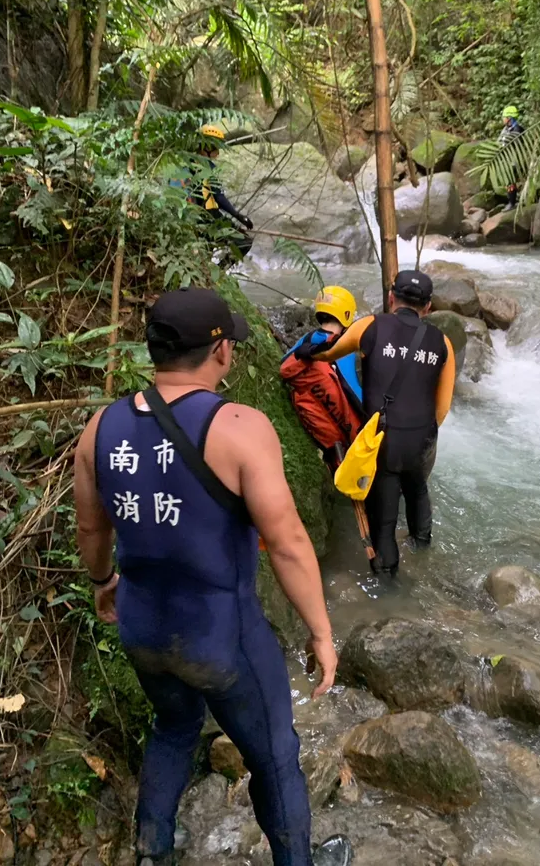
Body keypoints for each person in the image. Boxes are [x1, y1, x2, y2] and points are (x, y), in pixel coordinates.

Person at [73, 286, 351, 866]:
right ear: (220, 351)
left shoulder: (101, 428)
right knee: (274, 753)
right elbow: (288, 542)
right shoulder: (240, 426)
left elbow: (93, 530)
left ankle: (153, 849)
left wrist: (104, 584)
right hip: (221, 634)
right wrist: (321, 632)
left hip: (143, 625)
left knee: (173, 726)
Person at [300, 270, 455, 577]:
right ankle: (422, 549)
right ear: (428, 308)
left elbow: (329, 352)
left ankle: (387, 584)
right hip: (422, 437)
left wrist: (306, 349)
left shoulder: (370, 325)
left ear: (391, 298)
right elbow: (443, 406)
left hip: (382, 439)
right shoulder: (444, 343)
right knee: (417, 489)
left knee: (383, 517)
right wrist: (422, 434)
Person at [280, 286, 365, 472]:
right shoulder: (344, 348)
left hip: (318, 418)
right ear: (347, 315)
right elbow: (352, 390)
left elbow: (285, 364)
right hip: (346, 430)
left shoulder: (307, 339)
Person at [185, 124, 254, 259]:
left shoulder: (195, 163)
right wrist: (238, 215)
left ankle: (214, 272)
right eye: (216, 147)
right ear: (207, 146)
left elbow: (216, 195)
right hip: (206, 217)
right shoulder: (201, 166)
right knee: (244, 242)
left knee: (209, 250)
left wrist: (237, 216)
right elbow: (219, 197)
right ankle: (220, 270)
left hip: (202, 216)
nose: (218, 152)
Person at [498, 105, 525, 210]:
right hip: (505, 159)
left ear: (509, 118)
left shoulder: (517, 130)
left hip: (514, 160)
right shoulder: (506, 129)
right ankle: (512, 199)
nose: (503, 119)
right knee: (507, 181)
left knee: (510, 181)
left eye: (504, 117)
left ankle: (512, 202)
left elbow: (517, 146)